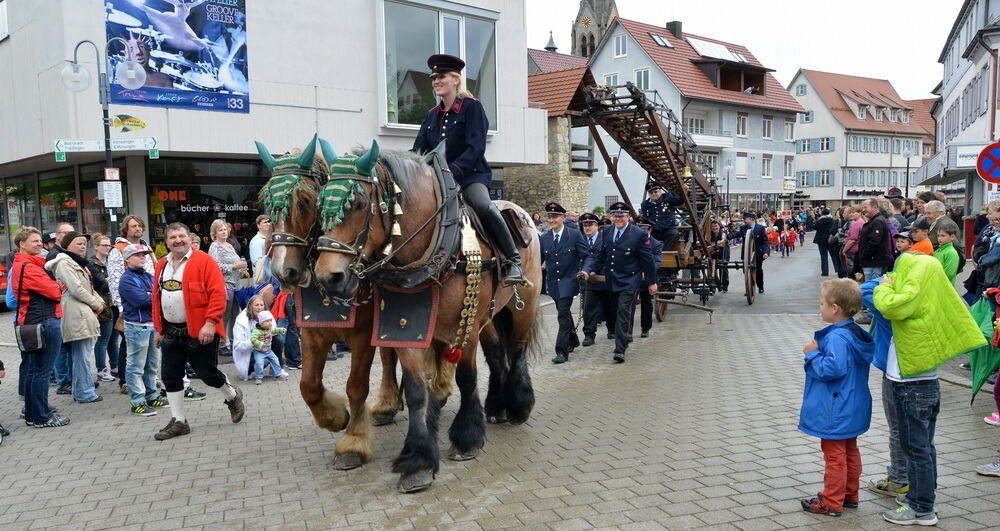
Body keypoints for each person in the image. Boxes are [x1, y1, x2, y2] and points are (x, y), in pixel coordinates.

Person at [872, 252, 985, 525]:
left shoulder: (912, 298)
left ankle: (921, 508)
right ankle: (923, 495)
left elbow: (891, 306)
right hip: (926, 385)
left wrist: (884, 285)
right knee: (924, 447)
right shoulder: (933, 294)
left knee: (916, 450)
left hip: (910, 386)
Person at [411, 53, 524, 286]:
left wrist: (452, 172)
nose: (436, 81)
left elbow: (476, 147)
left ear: (456, 79)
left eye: (441, 76)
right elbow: (418, 151)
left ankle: (513, 260)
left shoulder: (472, 107)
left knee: (483, 206)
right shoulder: (431, 115)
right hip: (436, 179)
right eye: (434, 78)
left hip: (470, 176)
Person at [151, 222, 246, 440]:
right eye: (172, 237)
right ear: (166, 242)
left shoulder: (204, 261)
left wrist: (211, 323)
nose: (178, 240)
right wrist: (159, 327)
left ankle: (232, 396)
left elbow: (218, 294)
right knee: (170, 375)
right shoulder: (162, 265)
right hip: (172, 331)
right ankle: (179, 421)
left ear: (189, 237)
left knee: (206, 374)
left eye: (181, 236)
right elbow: (156, 298)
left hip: (200, 329)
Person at [798, 278, 874, 517]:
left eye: (822, 303)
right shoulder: (853, 332)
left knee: (834, 455)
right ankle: (850, 494)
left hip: (836, 405)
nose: (819, 307)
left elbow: (832, 369)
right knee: (849, 449)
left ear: (835, 308)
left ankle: (831, 501)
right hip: (852, 404)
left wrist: (812, 355)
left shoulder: (836, 337)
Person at [580, 202, 657, 363]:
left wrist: (651, 282)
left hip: (630, 280)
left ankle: (620, 349)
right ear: (611, 217)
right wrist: (590, 270)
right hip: (612, 280)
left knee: (623, 311)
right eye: (615, 215)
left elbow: (648, 260)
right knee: (616, 313)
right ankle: (625, 334)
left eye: (622, 215)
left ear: (628, 216)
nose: (618, 218)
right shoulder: (606, 232)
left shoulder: (638, 234)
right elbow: (600, 255)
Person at [11, 227, 70, 427]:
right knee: (41, 371)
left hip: (32, 322)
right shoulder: (29, 266)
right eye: (34, 241)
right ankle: (42, 417)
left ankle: (33, 414)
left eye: (39, 240)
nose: (39, 244)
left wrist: (55, 286)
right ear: (22, 244)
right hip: (43, 321)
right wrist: (59, 286)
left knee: (33, 370)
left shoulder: (25, 265)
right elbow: (54, 292)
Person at [47, 232, 104, 404]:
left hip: (82, 311)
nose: (82, 246)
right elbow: (76, 289)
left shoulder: (77, 262)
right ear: (67, 245)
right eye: (78, 243)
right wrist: (97, 303)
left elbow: (88, 287)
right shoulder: (65, 263)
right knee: (81, 356)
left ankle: (82, 391)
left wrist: (98, 302)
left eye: (84, 243)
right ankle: (84, 392)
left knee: (82, 354)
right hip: (76, 312)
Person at [108, 215, 155, 394]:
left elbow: (151, 271)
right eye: (133, 226)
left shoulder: (145, 247)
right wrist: (121, 307)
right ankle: (126, 382)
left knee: (148, 351)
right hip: (129, 303)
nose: (137, 229)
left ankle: (147, 382)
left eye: (140, 226)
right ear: (125, 229)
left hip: (147, 302)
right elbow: (114, 279)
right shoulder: (118, 249)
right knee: (128, 345)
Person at [119, 244, 167, 417]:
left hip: (151, 325)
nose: (142, 257)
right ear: (127, 259)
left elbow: (159, 295)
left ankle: (151, 395)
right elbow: (143, 301)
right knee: (136, 365)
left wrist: (152, 295)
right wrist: (152, 295)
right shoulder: (126, 279)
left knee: (152, 364)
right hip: (136, 327)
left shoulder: (147, 275)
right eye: (137, 255)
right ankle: (137, 401)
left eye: (144, 254)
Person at [539, 202, 588, 364]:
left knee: (562, 315)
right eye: (549, 217)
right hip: (553, 284)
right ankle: (573, 340)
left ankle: (561, 350)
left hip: (569, 281)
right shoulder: (545, 238)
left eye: (555, 217)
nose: (551, 220)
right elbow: (539, 260)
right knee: (564, 312)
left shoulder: (574, 235)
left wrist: (585, 270)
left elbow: (587, 255)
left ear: (563, 217)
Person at [208, 219, 249, 354]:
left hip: (236, 285)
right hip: (225, 286)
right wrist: (235, 266)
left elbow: (237, 262)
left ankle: (231, 342)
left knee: (235, 315)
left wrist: (242, 271)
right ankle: (220, 344)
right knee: (224, 316)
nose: (224, 232)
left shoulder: (229, 245)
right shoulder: (215, 246)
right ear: (215, 233)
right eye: (220, 230)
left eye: (225, 229)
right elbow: (215, 267)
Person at [579, 213, 615, 345]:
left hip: (604, 279)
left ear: (596, 226)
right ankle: (589, 335)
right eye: (585, 225)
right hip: (589, 282)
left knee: (609, 307)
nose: (587, 228)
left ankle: (612, 329)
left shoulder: (605, 239)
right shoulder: (580, 240)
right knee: (588, 309)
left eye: (590, 225)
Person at [89, 234, 116, 382]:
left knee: (114, 339)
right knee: (103, 339)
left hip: (113, 305)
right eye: (104, 245)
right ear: (96, 246)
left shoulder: (111, 262)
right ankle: (101, 369)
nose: (107, 248)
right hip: (102, 306)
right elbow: (102, 284)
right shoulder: (92, 264)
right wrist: (110, 280)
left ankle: (115, 366)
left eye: (109, 245)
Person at [636, 217, 662, 338]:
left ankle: (645, 328)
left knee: (646, 303)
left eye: (644, 229)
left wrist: (646, 273)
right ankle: (626, 331)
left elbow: (656, 262)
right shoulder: (632, 240)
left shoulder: (655, 244)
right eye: (639, 228)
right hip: (632, 277)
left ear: (650, 230)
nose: (642, 231)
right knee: (628, 304)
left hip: (647, 278)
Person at [640, 183, 684, 251]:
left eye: (655, 191)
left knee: (674, 234)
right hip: (653, 230)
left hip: (667, 229)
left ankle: (665, 253)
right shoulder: (645, 204)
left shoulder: (668, 197)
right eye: (651, 193)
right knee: (643, 236)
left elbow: (680, 201)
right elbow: (644, 218)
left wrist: (685, 191)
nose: (654, 194)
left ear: (660, 191)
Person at [232, 295, 267, 380]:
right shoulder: (241, 322)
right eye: (256, 305)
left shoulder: (266, 317)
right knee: (266, 359)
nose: (259, 308)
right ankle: (249, 370)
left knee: (278, 340)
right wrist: (254, 341)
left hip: (260, 349)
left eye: (261, 305)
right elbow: (237, 346)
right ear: (250, 306)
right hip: (247, 354)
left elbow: (273, 331)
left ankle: (277, 370)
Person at [249, 310, 288, 385]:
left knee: (275, 360)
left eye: (270, 320)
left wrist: (281, 330)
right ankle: (258, 377)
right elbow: (253, 339)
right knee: (259, 364)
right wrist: (260, 344)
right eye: (267, 321)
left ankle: (278, 374)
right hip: (259, 352)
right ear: (261, 323)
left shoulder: (269, 328)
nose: (270, 323)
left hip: (268, 351)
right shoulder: (256, 331)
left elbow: (275, 330)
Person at [740, 212, 770, 293]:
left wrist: (766, 252)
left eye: (745, 219)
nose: (744, 221)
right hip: (746, 254)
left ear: (751, 219)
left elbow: (765, 242)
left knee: (758, 271)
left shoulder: (760, 228)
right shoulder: (743, 228)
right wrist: (729, 235)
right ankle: (749, 288)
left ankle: (760, 286)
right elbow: (737, 234)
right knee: (746, 272)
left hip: (757, 255)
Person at [813, 208, 837, 277]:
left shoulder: (819, 220)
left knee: (823, 256)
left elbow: (814, 227)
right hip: (830, 239)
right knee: (833, 255)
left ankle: (825, 272)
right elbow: (835, 229)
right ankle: (837, 269)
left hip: (821, 240)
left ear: (822, 214)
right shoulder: (833, 220)